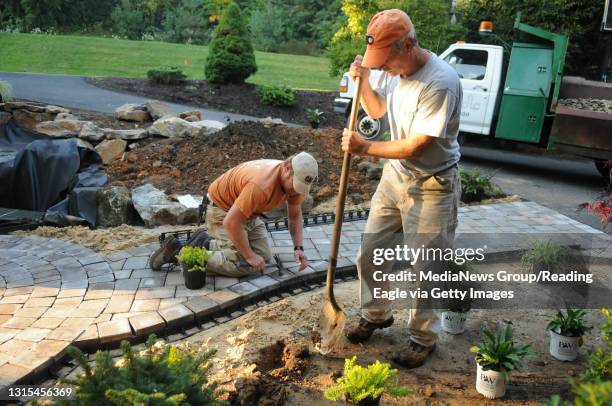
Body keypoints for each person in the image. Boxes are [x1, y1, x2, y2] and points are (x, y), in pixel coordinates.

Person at [342, 9, 462, 368]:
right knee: (370, 252)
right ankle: (376, 314)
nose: (384, 70)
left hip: (432, 184)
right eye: (378, 65)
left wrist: (365, 148)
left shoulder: (439, 82)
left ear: (409, 44)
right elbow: (378, 111)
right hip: (396, 177)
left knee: (426, 269)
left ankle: (422, 340)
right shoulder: (395, 70)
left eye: (386, 63)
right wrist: (362, 83)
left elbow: (415, 145)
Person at [204, 152, 318, 277]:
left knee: (263, 257)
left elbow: (295, 215)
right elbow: (231, 222)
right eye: (295, 184)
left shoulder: (297, 182)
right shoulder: (262, 185)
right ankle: (187, 256)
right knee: (242, 265)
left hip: (247, 212)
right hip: (222, 210)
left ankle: (207, 243)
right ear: (287, 169)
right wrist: (249, 256)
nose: (296, 190)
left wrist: (298, 248)